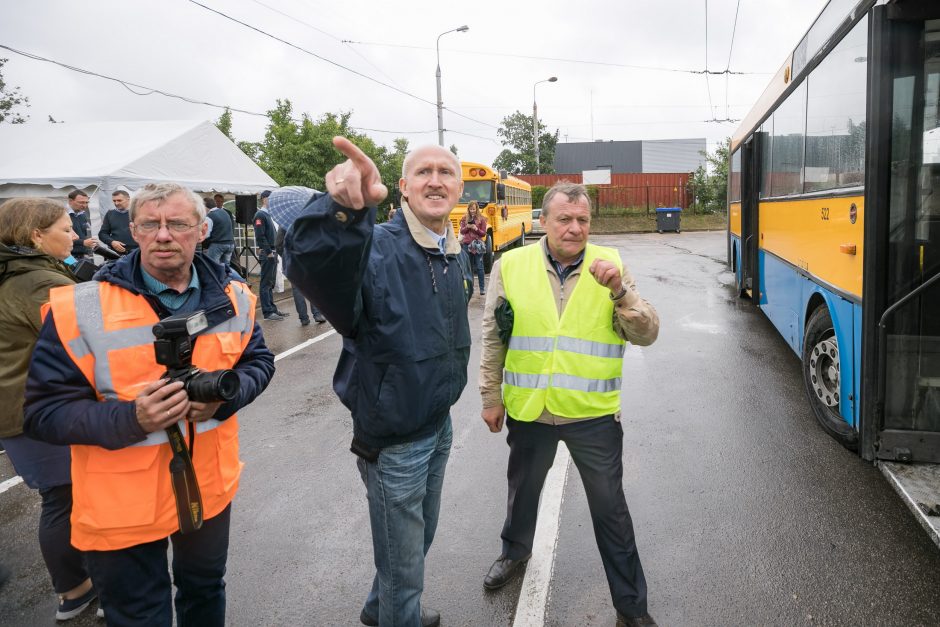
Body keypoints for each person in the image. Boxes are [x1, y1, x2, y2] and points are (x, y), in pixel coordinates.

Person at [23, 182, 276, 627]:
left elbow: (258, 361)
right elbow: (43, 413)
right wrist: (130, 418)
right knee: (141, 615)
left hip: (206, 489)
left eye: (177, 223)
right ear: (133, 231)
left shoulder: (235, 295)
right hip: (120, 503)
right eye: (150, 224)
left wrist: (222, 401)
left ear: (200, 231)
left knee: (204, 592)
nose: (163, 235)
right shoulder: (80, 308)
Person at [269, 138, 472, 627]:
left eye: (446, 172)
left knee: (417, 541)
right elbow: (318, 269)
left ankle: (379, 608)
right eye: (423, 171)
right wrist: (341, 214)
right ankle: (397, 612)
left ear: (459, 188)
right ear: (402, 187)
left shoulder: (449, 249)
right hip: (395, 439)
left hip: (437, 421)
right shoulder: (375, 246)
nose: (435, 180)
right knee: (406, 569)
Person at [479, 182, 660, 627]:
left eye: (582, 220)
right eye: (565, 219)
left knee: (610, 509)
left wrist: (621, 292)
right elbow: (493, 335)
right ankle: (514, 552)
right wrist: (490, 396)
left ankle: (631, 608)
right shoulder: (510, 265)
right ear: (544, 221)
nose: (574, 228)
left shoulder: (611, 266)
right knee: (523, 492)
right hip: (531, 410)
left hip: (591, 415)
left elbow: (648, 333)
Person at [0, 198, 97, 621]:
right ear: (36, 235)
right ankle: (75, 590)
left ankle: (77, 586)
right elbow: (89, 336)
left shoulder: (17, 273)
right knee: (67, 498)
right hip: (37, 407)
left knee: (61, 496)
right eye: (64, 228)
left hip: (18, 407)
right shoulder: (34, 281)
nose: (74, 234)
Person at [275, 222, 325, 325]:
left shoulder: (285, 221)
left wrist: (286, 256)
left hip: (293, 260)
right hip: (309, 257)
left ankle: (303, 318)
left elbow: (278, 244)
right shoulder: (309, 218)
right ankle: (317, 314)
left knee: (297, 289)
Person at [254, 190, 289, 321]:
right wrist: (268, 252)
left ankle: (272, 308)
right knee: (265, 283)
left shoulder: (268, 215)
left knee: (270, 283)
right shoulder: (260, 215)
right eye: (270, 198)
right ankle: (268, 312)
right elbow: (260, 236)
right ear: (264, 199)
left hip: (272, 253)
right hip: (268, 253)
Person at [459, 200, 488, 295]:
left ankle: (482, 288)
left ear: (477, 209)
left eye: (474, 209)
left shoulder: (482, 219)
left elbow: (483, 234)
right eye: (470, 209)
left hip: (477, 245)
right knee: (469, 267)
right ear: (468, 209)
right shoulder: (464, 219)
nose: (472, 211)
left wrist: (476, 229)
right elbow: (462, 232)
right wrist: (468, 226)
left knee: (480, 267)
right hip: (467, 244)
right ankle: (470, 289)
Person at [98, 190, 137, 256]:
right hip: (116, 254)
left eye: (119, 200)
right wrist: (112, 242)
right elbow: (102, 234)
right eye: (114, 201)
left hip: (136, 253)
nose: (116, 203)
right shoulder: (110, 214)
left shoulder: (138, 213)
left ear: (128, 199)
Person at [202, 193, 236, 267]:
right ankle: (226, 278)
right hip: (230, 244)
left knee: (213, 266)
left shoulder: (210, 216)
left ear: (205, 206)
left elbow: (206, 234)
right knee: (226, 268)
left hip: (218, 244)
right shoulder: (225, 212)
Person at [66, 190, 96, 260]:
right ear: (70, 201)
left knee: (86, 270)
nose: (85, 205)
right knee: (72, 270)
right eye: (81, 202)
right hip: (67, 256)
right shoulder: (62, 215)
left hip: (82, 255)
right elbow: (61, 237)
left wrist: (88, 242)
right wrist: (83, 242)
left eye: (86, 202)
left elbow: (83, 235)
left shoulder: (82, 215)